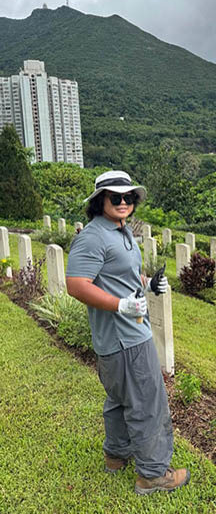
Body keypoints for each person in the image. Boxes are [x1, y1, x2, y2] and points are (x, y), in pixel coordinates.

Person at [66, 170, 191, 494]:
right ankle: (152, 474)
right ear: (100, 201)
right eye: (115, 197)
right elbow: (76, 285)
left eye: (129, 197)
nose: (123, 202)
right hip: (125, 338)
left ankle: (116, 455)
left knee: (120, 399)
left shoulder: (121, 231)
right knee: (148, 402)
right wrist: (119, 306)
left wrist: (148, 284)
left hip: (125, 334)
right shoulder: (93, 236)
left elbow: (126, 274)